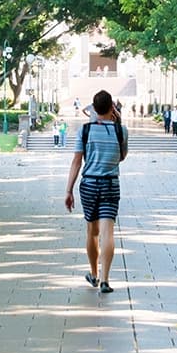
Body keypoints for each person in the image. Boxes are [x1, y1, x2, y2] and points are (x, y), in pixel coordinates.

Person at [64, 89, 127, 293]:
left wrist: (68, 190)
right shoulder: (121, 131)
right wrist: (116, 122)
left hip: (89, 184)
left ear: (93, 107)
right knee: (108, 232)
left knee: (92, 231)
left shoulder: (85, 130)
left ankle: (94, 274)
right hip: (110, 184)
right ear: (112, 108)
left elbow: (76, 161)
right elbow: (121, 157)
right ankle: (106, 280)